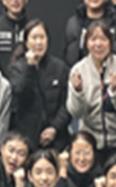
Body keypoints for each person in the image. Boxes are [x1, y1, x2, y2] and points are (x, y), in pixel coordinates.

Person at [67, 20, 116, 160]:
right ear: (86, 43)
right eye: (93, 39)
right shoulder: (78, 70)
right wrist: (78, 92)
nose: (98, 44)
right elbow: (76, 113)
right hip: (91, 144)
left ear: (110, 42)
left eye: (103, 39)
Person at [9, 19, 71, 153]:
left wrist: (55, 127)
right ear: (26, 42)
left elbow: (67, 104)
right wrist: (30, 68)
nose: (38, 42)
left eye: (42, 37)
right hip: (27, 140)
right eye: (34, 38)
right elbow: (20, 96)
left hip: (57, 139)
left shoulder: (60, 67)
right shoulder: (17, 68)